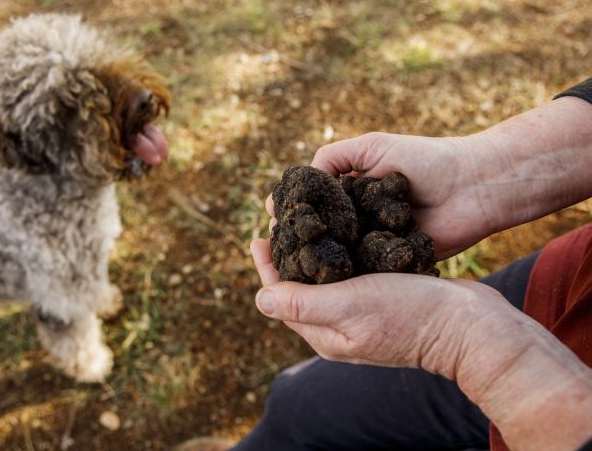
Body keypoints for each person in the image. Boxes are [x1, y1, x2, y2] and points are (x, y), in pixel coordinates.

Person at [172, 81, 592, 451]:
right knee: (296, 406)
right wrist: (480, 169)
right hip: (576, 281)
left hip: (541, 403)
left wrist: (454, 339)